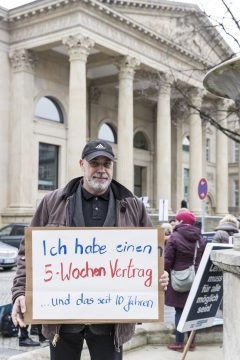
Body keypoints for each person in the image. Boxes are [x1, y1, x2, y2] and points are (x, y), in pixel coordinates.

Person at [11, 139, 169, 360]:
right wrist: (20, 292)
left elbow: (152, 256)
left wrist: (158, 276)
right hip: (62, 320)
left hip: (111, 322)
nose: (102, 170)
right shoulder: (52, 202)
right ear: (82, 164)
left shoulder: (133, 205)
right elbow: (27, 252)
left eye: (107, 164)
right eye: (95, 163)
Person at [164, 209, 205, 352]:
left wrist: (165, 272)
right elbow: (202, 258)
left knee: (179, 310)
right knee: (192, 310)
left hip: (179, 278)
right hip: (196, 277)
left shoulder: (174, 237)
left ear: (181, 221)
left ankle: (179, 342)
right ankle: (191, 342)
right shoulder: (200, 238)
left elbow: (167, 260)